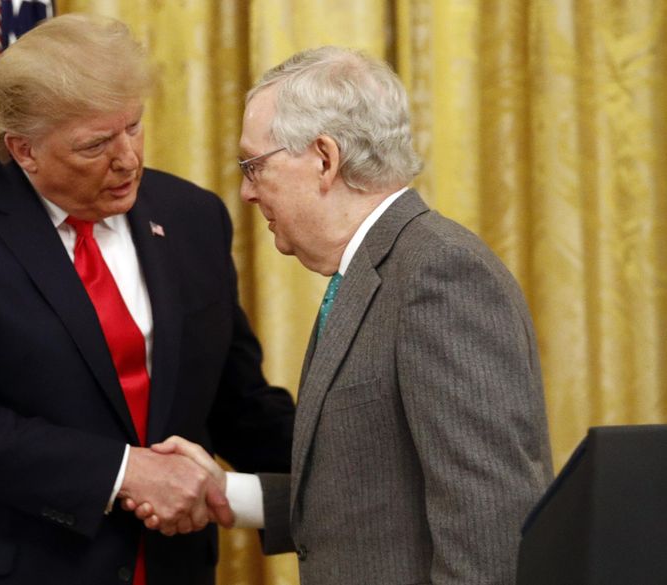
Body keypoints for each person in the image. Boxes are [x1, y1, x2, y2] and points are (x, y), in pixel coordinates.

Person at [0, 14, 294, 585]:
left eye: (134, 127)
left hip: (167, 567)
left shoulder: (191, 216)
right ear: (24, 150)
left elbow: (234, 401)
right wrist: (127, 473)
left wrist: (352, 472)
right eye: (96, 144)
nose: (128, 159)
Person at [140, 46, 554, 585]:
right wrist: (227, 493)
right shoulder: (372, 270)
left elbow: (489, 524)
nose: (245, 192)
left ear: (324, 159)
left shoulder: (440, 275)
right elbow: (378, 490)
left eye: (254, 165)